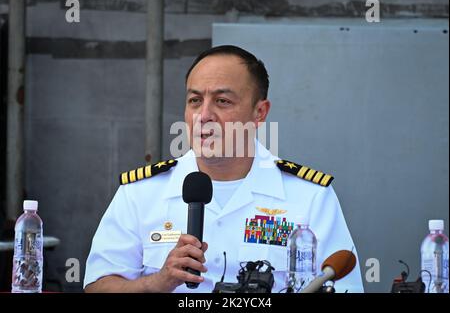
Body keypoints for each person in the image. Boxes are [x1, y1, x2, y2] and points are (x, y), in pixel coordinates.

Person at [84, 45, 364, 293]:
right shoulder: (140, 193)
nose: (204, 116)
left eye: (222, 101)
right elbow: (99, 285)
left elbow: (343, 285)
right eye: (195, 100)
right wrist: (157, 283)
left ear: (260, 113)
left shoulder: (310, 197)